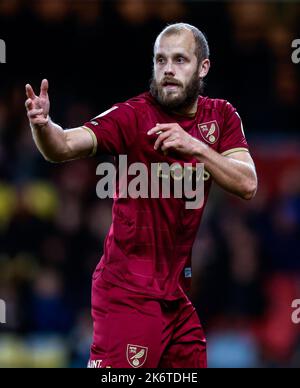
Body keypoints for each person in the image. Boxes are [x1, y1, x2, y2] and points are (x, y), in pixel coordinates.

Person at [25, 23, 257, 368]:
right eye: (160, 60)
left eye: (180, 60)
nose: (168, 69)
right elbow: (64, 146)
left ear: (203, 67)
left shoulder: (221, 117)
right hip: (127, 295)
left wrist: (195, 147)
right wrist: (44, 126)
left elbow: (248, 183)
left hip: (176, 298)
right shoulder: (134, 115)